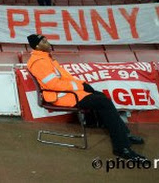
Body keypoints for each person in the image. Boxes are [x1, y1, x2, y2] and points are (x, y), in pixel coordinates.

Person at [26, 34, 146, 162]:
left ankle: (124, 135)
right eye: (44, 41)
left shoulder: (46, 58)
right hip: (61, 96)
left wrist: (82, 84)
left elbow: (66, 77)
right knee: (103, 102)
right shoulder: (39, 62)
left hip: (68, 93)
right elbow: (53, 84)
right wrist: (79, 86)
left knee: (101, 97)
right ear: (38, 46)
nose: (48, 43)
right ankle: (121, 148)